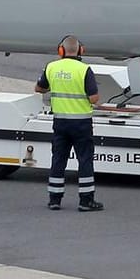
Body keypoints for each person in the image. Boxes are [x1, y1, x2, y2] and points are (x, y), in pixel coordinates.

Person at [35, 34, 104, 212]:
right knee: (85, 160)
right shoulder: (84, 69)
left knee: (58, 159)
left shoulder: (51, 67)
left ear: (61, 50)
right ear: (80, 50)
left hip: (60, 122)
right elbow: (94, 98)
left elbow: (39, 88)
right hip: (81, 123)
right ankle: (86, 201)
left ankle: (54, 199)